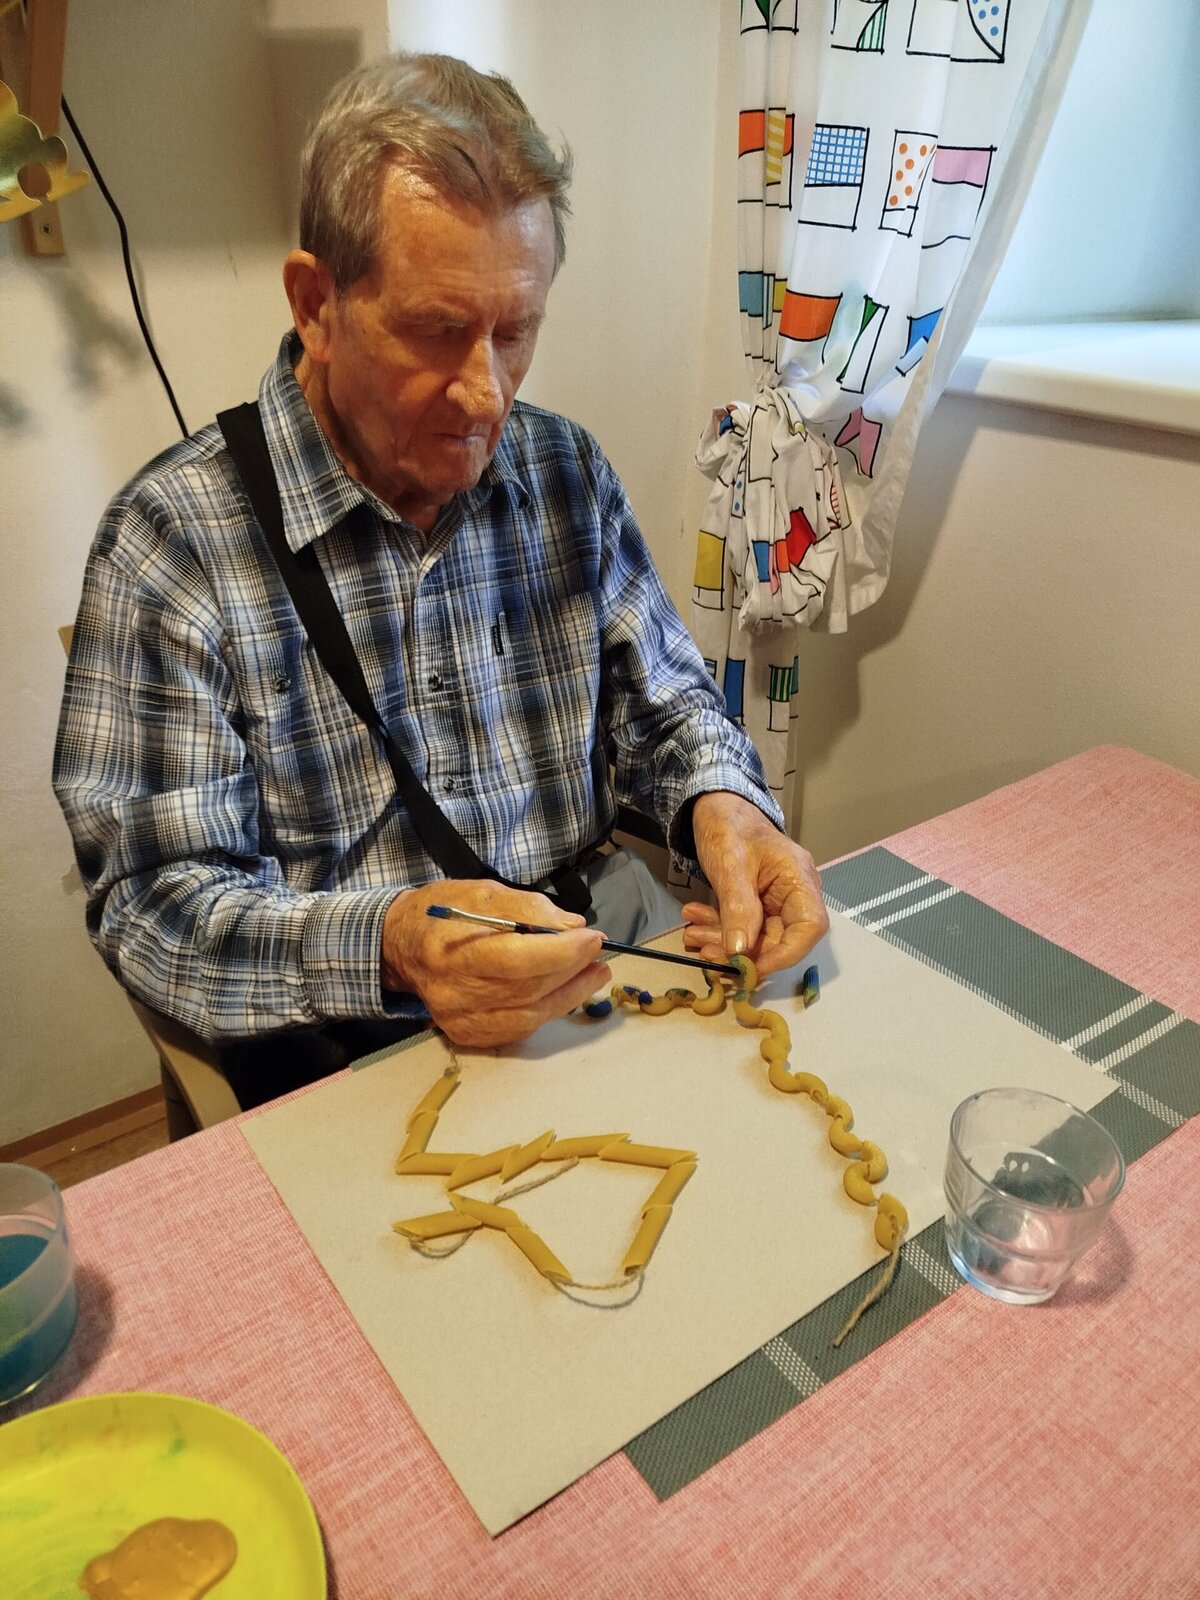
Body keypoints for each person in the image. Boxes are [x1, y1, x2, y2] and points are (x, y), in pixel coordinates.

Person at [53, 51, 827, 1111]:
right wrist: (390, 947)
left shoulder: (565, 471)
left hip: (602, 962)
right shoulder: (173, 543)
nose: (486, 393)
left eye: (517, 331)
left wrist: (726, 805)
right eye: (436, 330)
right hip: (356, 1038)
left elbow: (667, 707)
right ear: (316, 303)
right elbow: (154, 905)